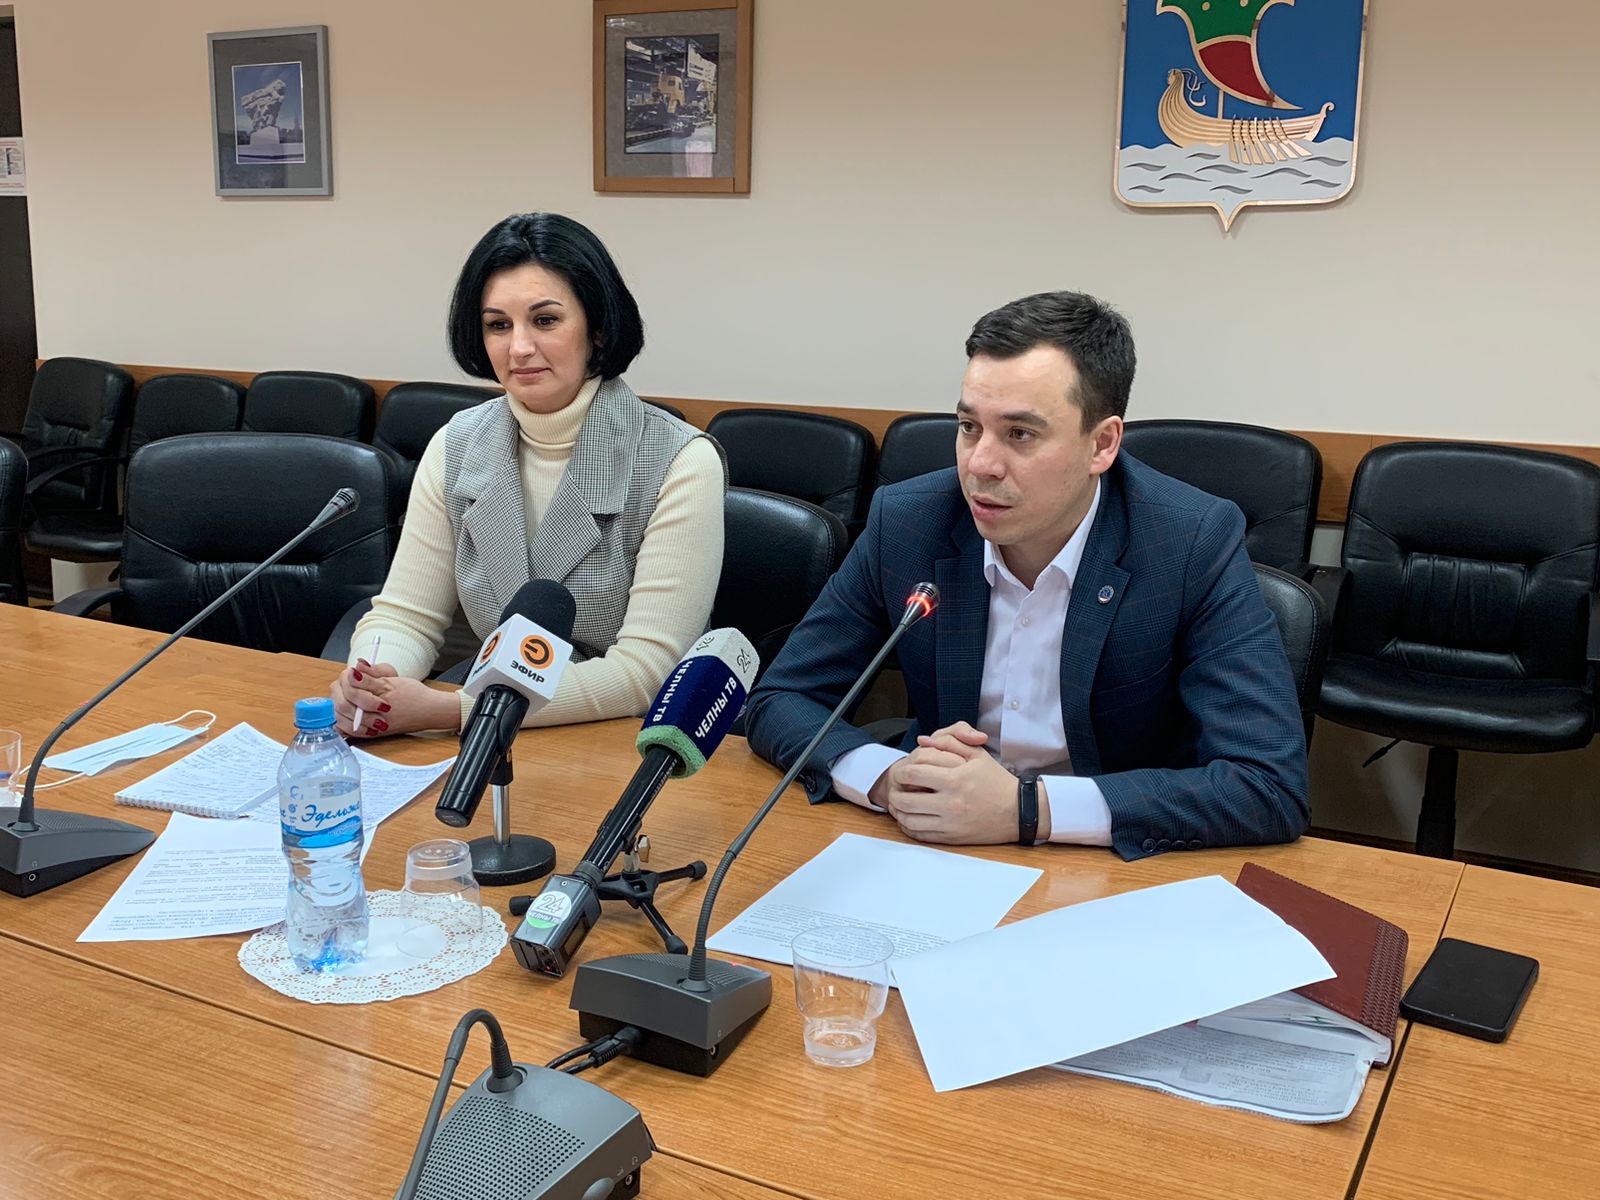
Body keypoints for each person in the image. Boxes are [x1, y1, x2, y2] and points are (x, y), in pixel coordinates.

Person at [743, 291, 1307, 859]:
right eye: (969, 427)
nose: (980, 464)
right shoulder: (909, 522)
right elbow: (782, 697)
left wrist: (1027, 808)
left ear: (1102, 444)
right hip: (933, 843)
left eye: (1020, 434)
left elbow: (1268, 785)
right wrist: (891, 780)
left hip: (1108, 858)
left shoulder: (1188, 542)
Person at [330, 212, 724, 738]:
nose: (518, 347)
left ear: (598, 329)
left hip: (620, 739)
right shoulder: (457, 444)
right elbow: (406, 615)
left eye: (545, 320)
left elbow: (646, 673)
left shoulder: (679, 459)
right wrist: (375, 681)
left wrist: (457, 711)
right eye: (498, 325)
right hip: (488, 731)